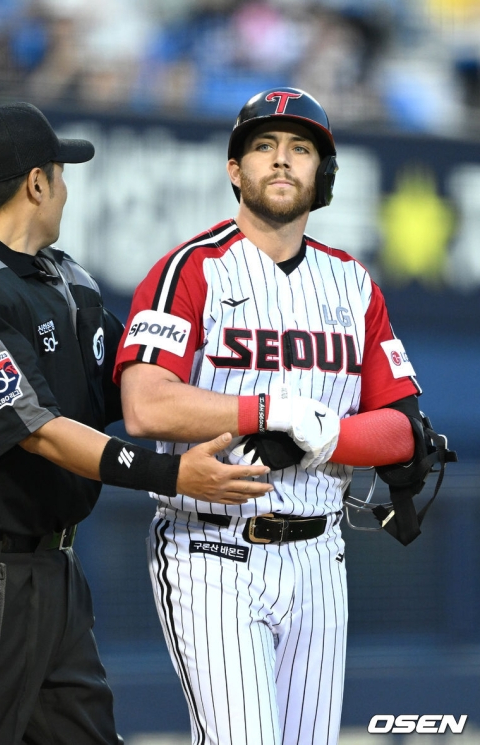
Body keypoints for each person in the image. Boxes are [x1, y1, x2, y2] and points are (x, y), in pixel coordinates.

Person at [0, 102, 272, 745]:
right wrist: (174, 474)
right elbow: (41, 431)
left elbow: (139, 388)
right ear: (36, 183)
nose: (66, 188)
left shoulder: (69, 278)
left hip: (54, 577)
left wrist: (258, 404)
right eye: (61, 173)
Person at [114, 88, 425, 745]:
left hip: (319, 552)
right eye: (263, 146)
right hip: (212, 546)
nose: (281, 160)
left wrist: (326, 434)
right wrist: (270, 409)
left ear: (322, 174)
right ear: (235, 170)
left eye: (300, 148)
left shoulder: (352, 283)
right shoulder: (189, 269)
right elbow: (144, 404)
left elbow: (403, 428)